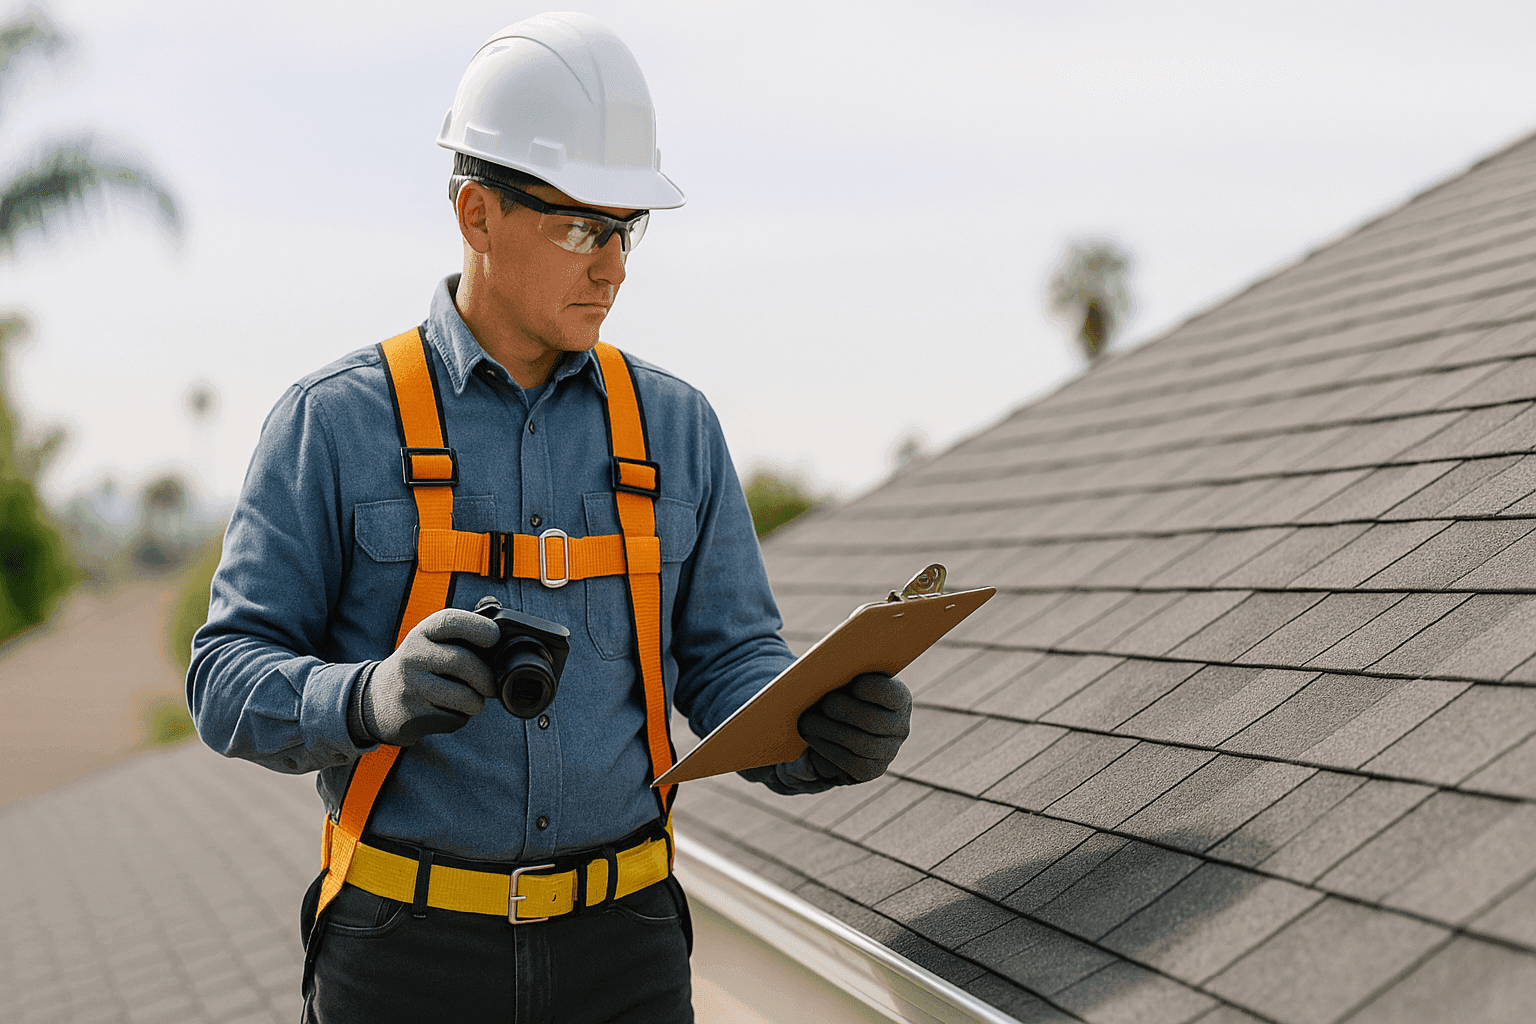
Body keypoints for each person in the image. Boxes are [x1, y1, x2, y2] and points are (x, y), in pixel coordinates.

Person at [188, 12, 912, 1023]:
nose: (614, 265)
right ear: (476, 213)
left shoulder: (675, 429)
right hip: (406, 955)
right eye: (584, 227)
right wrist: (371, 696)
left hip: (625, 953)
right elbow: (224, 676)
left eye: (629, 229)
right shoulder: (337, 424)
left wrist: (813, 731)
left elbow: (726, 663)